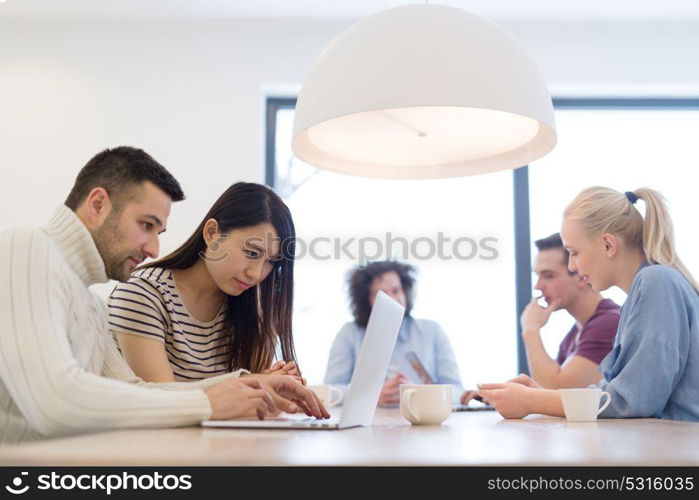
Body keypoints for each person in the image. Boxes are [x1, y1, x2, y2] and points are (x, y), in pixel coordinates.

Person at [0, 147, 328, 444]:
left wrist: (249, 387)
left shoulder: (91, 305)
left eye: (159, 232)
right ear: (98, 204)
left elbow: (138, 392)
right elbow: (55, 401)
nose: (153, 248)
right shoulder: (26, 247)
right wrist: (209, 401)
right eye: (146, 225)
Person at [474, 187, 699, 422]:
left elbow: (631, 401)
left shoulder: (656, 282)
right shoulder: (643, 293)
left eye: (574, 252)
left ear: (608, 245)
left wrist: (532, 400)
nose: (572, 266)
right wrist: (540, 396)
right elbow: (616, 394)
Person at [108, 182, 302, 383]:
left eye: (271, 261)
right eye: (251, 252)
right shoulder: (143, 295)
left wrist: (273, 389)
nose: (256, 273)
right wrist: (253, 385)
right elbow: (161, 400)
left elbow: (247, 406)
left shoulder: (254, 310)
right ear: (211, 233)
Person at [324, 260, 463, 405]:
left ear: (405, 292)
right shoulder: (349, 334)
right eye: (382, 294)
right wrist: (370, 397)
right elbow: (329, 392)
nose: (392, 299)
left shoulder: (432, 331)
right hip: (370, 424)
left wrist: (421, 396)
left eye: (396, 290)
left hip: (424, 422)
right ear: (366, 300)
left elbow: (458, 391)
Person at [514, 233, 618, 388]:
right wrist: (503, 393)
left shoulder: (608, 324)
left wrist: (531, 330)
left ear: (582, 276)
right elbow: (546, 389)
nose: (538, 286)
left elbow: (558, 389)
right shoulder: (575, 333)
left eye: (548, 276)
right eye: (537, 276)